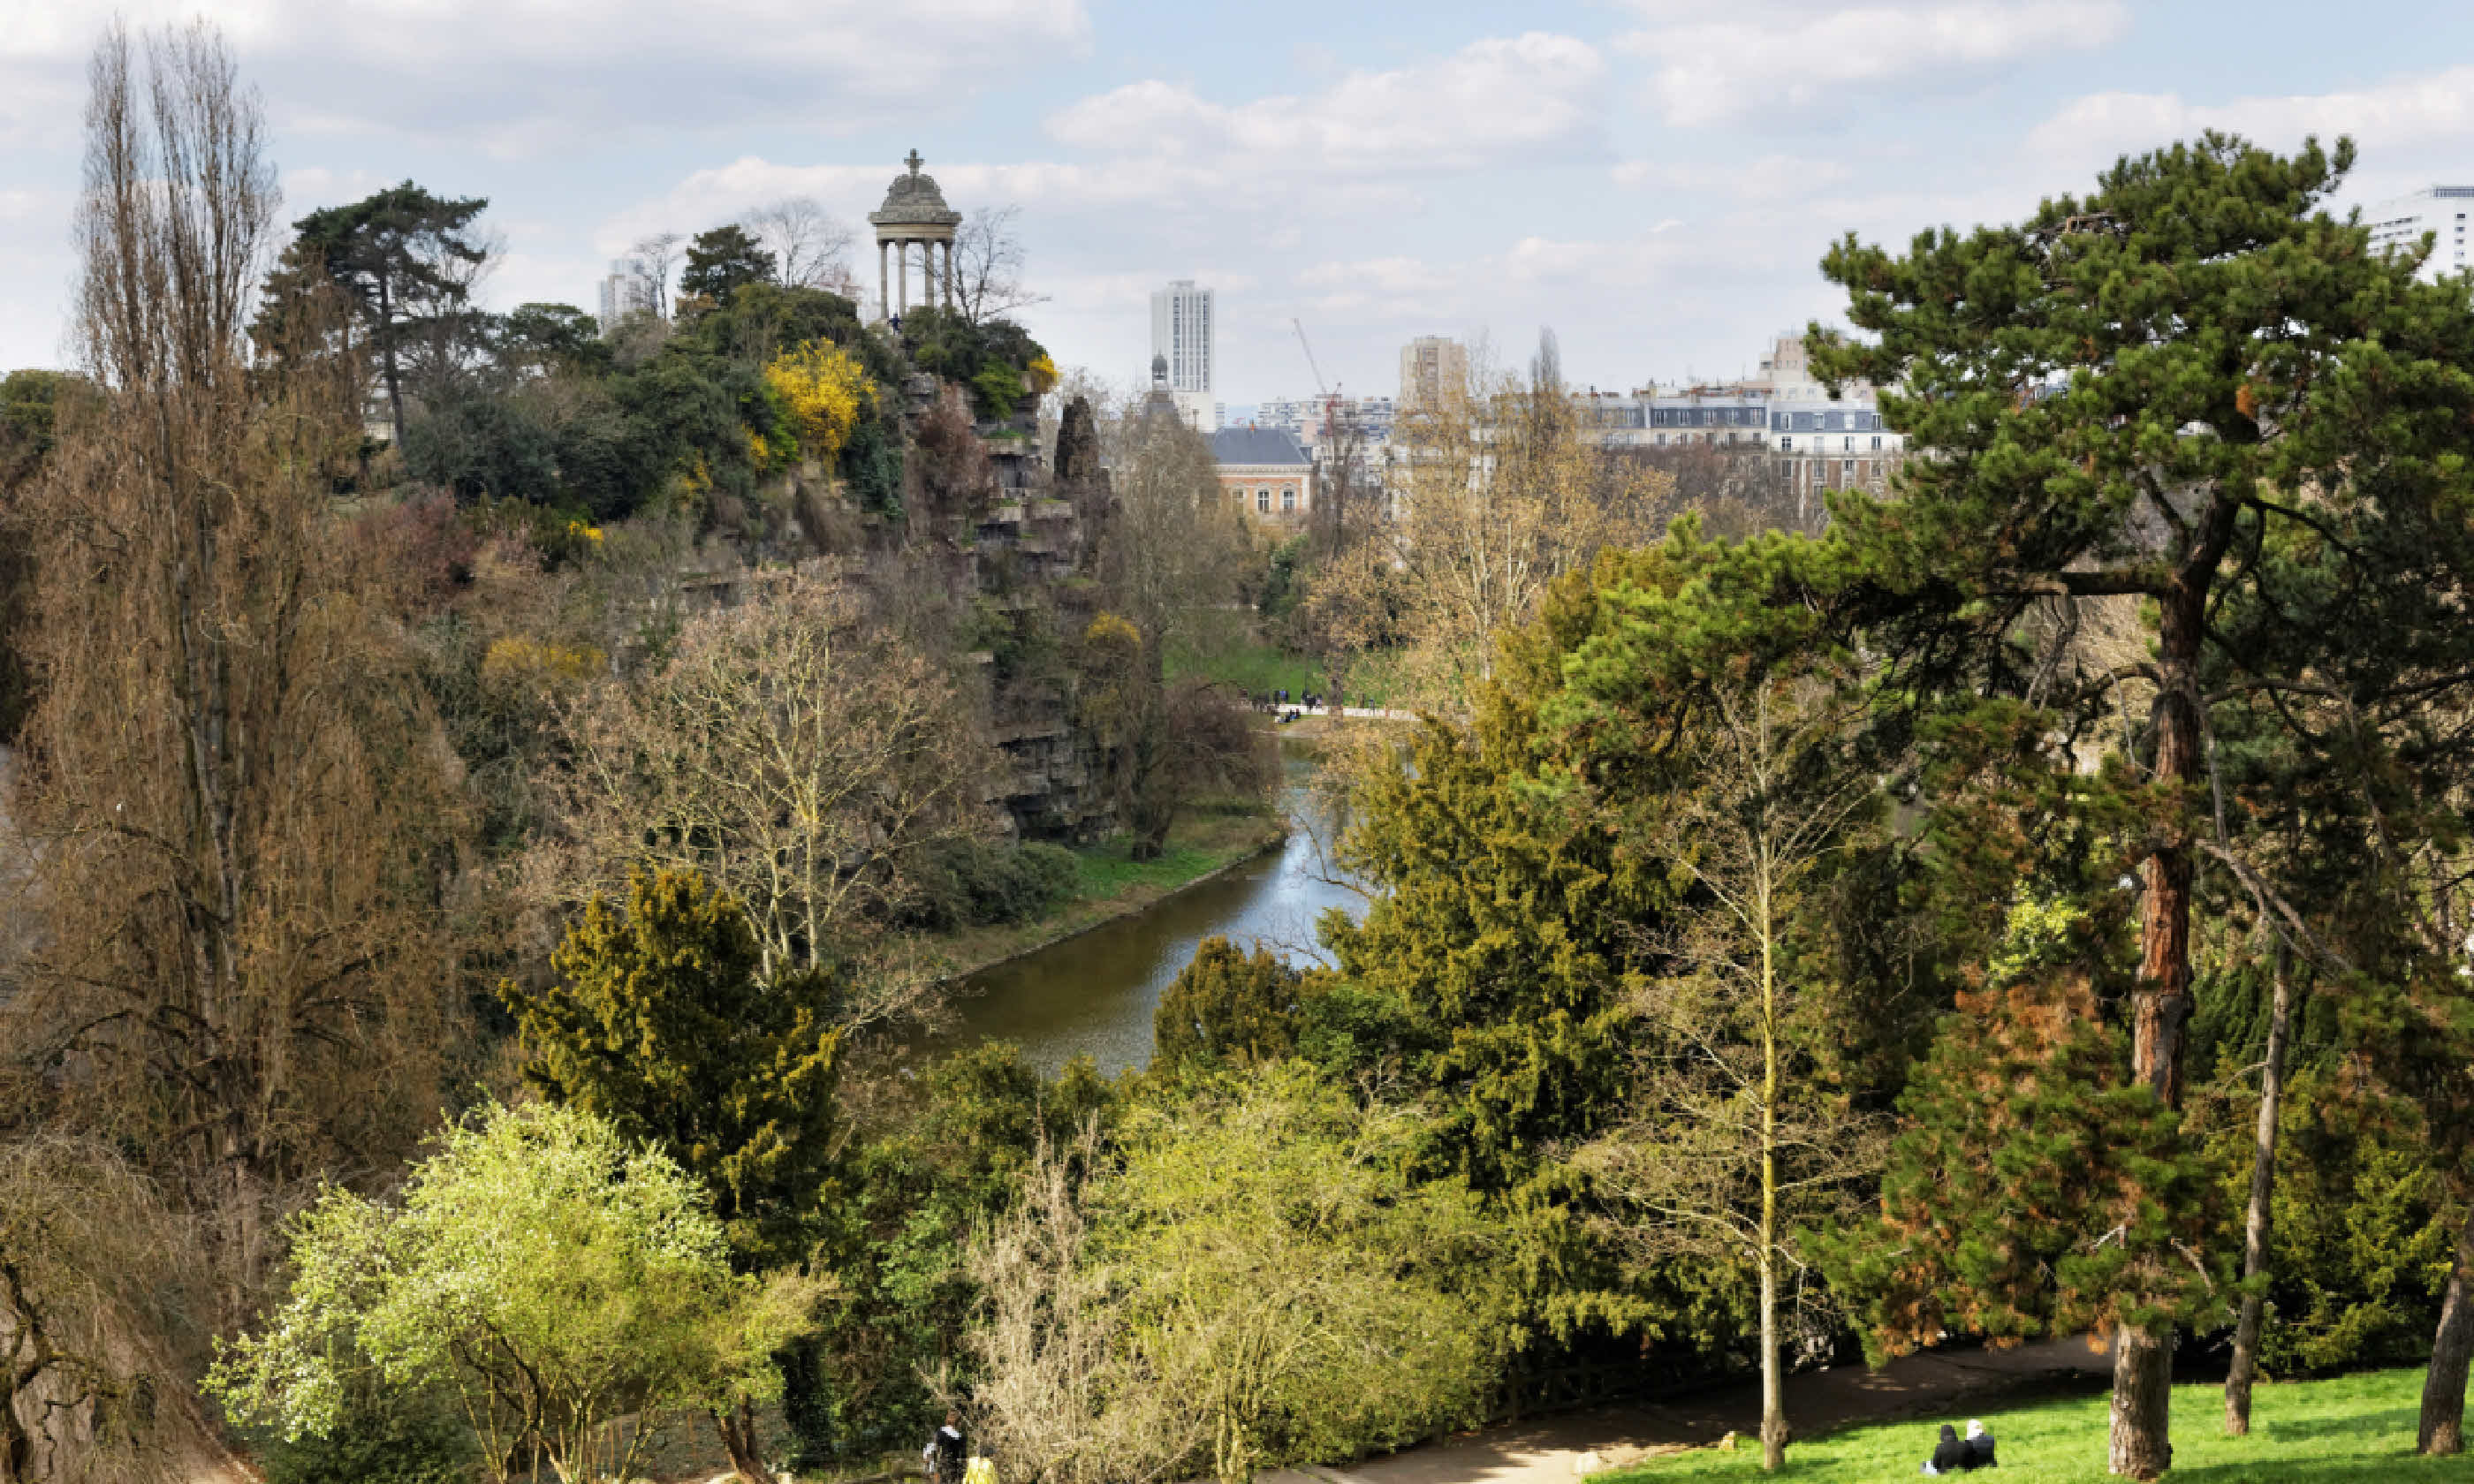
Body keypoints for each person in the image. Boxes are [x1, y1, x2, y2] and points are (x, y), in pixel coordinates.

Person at [923, 1410, 967, 1484]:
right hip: (956, 1469)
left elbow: (933, 1448)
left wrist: (928, 1466)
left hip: (943, 1467)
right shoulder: (960, 1437)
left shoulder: (941, 1432)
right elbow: (963, 1456)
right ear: (958, 1422)